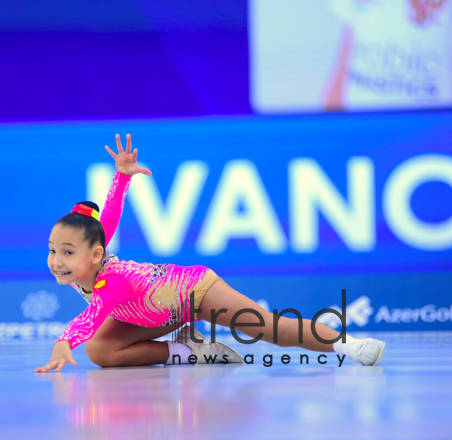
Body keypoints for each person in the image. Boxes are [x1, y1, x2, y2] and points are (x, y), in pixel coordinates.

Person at [34, 134, 386, 373]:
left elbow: (92, 316)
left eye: (67, 252)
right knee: (101, 351)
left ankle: (350, 346)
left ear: (95, 255)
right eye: (53, 251)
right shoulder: (94, 247)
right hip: (156, 312)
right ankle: (194, 352)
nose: (57, 261)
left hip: (195, 292)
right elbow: (108, 215)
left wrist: (64, 342)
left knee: (267, 329)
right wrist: (122, 178)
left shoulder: (110, 282)